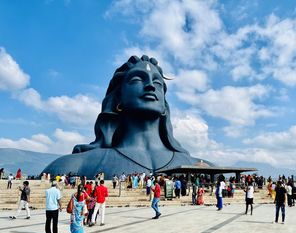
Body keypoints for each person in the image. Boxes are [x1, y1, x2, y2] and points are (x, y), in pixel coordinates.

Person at [43, 55, 209, 178]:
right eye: (138, 79)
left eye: (157, 83)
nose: (150, 86)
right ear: (118, 98)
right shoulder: (74, 164)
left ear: (164, 106)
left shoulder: (197, 165)